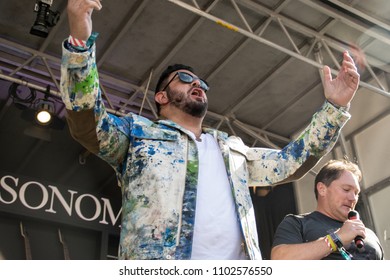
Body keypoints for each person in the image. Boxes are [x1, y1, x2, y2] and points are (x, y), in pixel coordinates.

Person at [60, 0, 360, 260]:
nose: (197, 84)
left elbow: (290, 162)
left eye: (202, 84)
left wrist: (334, 107)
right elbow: (88, 120)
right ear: (161, 96)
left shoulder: (232, 151)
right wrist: (79, 44)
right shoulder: (138, 136)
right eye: (185, 78)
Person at [271, 159, 384, 260]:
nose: (353, 198)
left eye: (356, 193)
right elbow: (280, 260)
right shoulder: (297, 223)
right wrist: (336, 238)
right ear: (322, 189)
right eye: (346, 189)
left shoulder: (368, 234)